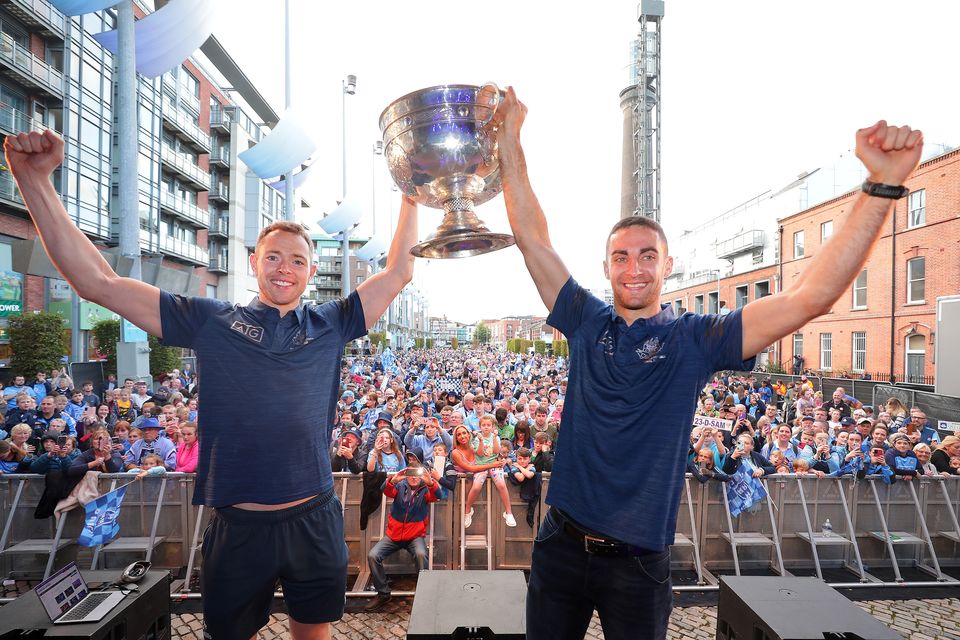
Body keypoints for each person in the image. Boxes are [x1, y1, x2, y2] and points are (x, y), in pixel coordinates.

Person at [494, 86, 922, 639]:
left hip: (639, 561)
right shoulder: (583, 319)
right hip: (560, 545)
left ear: (667, 265)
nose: (634, 268)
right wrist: (509, 139)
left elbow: (806, 299)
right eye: (621, 256)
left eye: (648, 255)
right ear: (605, 265)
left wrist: (881, 187)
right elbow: (531, 238)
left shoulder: (695, 339)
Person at [8, 125, 421, 640]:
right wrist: (34, 180)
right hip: (238, 525)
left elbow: (400, 270)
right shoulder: (212, 320)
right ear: (254, 263)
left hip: (313, 517)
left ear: (311, 271)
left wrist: (411, 191)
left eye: (297, 260)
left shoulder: (332, 322)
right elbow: (98, 282)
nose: (284, 268)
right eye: (273, 256)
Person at [365, 451, 438, 612]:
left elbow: (438, 495)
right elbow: (386, 490)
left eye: (416, 474)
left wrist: (431, 482)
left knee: (421, 554)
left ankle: (424, 593)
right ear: (406, 474)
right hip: (394, 535)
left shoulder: (426, 489)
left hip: (415, 536)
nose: (413, 477)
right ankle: (383, 593)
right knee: (373, 555)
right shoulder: (400, 485)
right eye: (410, 474)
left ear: (421, 475)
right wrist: (393, 480)